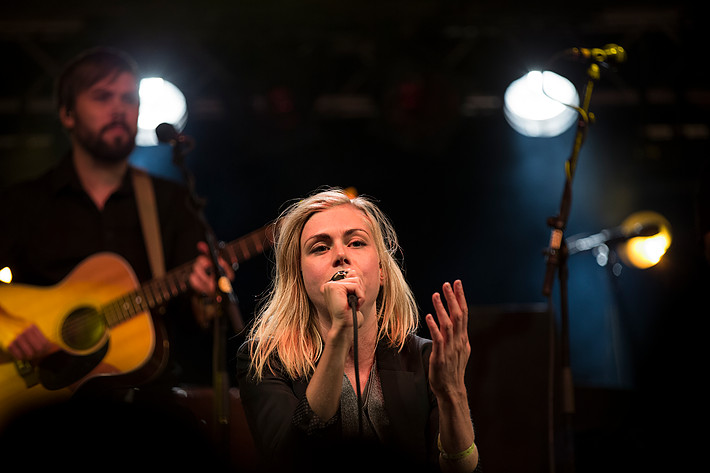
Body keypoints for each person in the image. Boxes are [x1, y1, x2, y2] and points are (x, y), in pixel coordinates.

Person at [0, 47, 230, 428]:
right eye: (102, 97)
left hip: (146, 404)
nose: (119, 109)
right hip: (44, 408)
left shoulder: (170, 201)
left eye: (129, 98)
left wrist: (206, 296)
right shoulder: (21, 203)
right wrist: (12, 335)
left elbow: (195, 325)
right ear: (67, 114)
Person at [228, 187, 480, 472]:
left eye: (357, 243)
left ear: (382, 270)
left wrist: (453, 394)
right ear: (298, 276)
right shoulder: (265, 360)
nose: (340, 255)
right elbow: (287, 459)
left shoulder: (425, 357)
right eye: (320, 247)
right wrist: (340, 334)